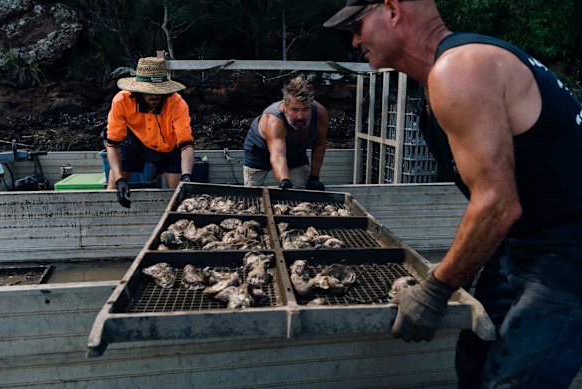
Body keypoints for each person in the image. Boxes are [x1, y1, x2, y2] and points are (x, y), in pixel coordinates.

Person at [325, 1, 582, 388]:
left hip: (568, 251)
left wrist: (436, 289)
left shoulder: (459, 69)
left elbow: (497, 202)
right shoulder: (435, 77)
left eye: (357, 25)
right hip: (527, 238)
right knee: (474, 361)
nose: (355, 39)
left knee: (515, 380)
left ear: (393, 10)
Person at [103, 56, 195, 208]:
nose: (155, 96)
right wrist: (120, 180)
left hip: (168, 149)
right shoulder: (121, 101)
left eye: (158, 92)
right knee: (113, 187)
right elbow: (112, 144)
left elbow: (186, 145)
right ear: (138, 91)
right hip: (134, 144)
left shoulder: (177, 103)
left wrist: (187, 176)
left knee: (180, 195)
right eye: (149, 92)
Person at [243, 75, 328, 190]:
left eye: (306, 109)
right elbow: (278, 155)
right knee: (252, 192)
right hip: (259, 153)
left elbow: (320, 145)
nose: (300, 116)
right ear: (285, 106)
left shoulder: (320, 113)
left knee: (302, 191)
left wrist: (314, 178)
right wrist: (285, 180)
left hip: (295, 153)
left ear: (311, 105)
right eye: (294, 110)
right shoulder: (274, 120)